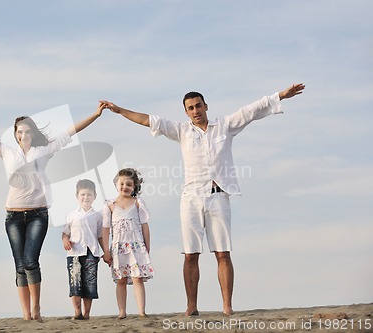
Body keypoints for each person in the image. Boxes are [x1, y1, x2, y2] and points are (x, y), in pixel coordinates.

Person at [101, 83, 305, 316]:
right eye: (190, 108)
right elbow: (149, 120)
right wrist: (119, 110)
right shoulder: (181, 131)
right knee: (190, 254)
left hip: (218, 196)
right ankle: (192, 306)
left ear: (205, 106)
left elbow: (251, 111)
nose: (195, 110)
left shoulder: (224, 126)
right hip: (191, 198)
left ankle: (227, 306)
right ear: (186, 112)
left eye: (198, 106)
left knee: (223, 252)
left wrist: (280, 96)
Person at [0, 102, 105, 322]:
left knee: (30, 261)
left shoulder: (44, 150)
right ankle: (26, 314)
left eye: (28, 131)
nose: (24, 134)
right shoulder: (7, 152)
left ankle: (36, 309)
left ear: (32, 133)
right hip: (13, 216)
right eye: (20, 131)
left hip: (38, 214)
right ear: (16, 135)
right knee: (19, 265)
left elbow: (71, 131)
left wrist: (95, 114)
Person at [101, 168, 154, 319]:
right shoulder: (109, 205)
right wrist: (106, 250)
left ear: (135, 187)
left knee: (137, 278)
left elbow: (145, 226)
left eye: (129, 184)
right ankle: (122, 312)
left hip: (136, 246)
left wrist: (147, 246)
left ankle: (141, 311)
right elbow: (105, 229)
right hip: (119, 247)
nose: (125, 187)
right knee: (121, 279)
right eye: (122, 183)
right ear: (117, 183)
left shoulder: (138, 203)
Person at [62, 179, 103, 320]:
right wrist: (66, 241)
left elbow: (100, 236)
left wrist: (106, 253)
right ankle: (77, 312)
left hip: (91, 253)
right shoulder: (72, 215)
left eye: (89, 194)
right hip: (74, 253)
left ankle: (86, 314)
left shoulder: (98, 216)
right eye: (83, 194)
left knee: (89, 283)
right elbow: (65, 233)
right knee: (75, 283)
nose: (86, 197)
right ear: (77, 196)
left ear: (95, 196)